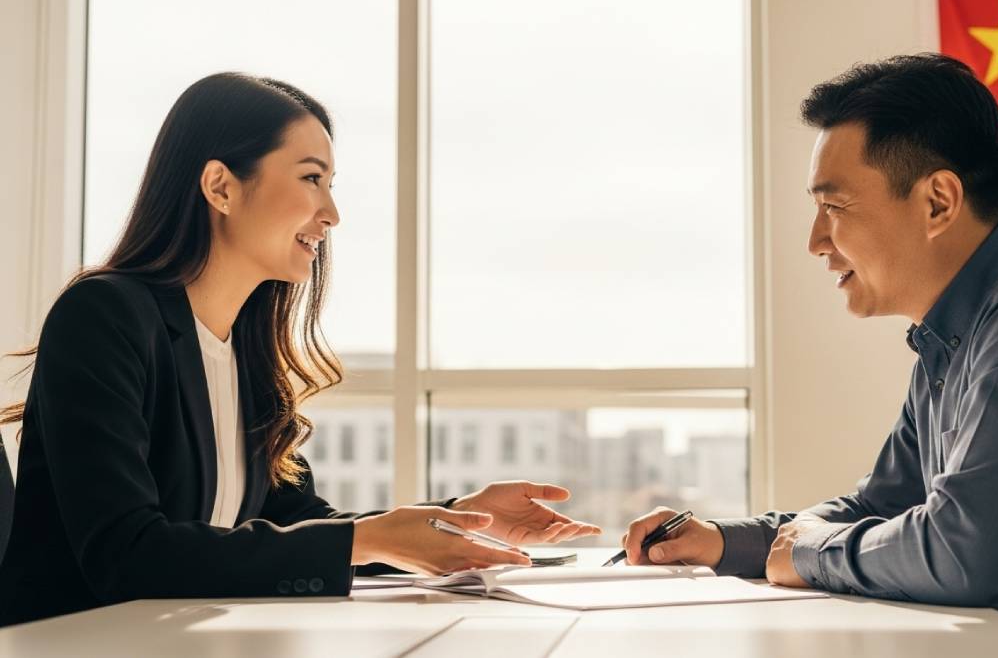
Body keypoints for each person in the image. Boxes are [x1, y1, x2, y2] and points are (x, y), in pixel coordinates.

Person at [619, 54, 998, 657]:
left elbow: (970, 554)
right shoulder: (954, 334)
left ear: (938, 202)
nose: (815, 240)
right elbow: (881, 507)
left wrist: (810, 551)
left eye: (835, 206)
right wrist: (722, 541)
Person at [0, 73, 599, 627]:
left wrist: (459, 518)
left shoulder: (245, 352)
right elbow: (125, 554)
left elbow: (292, 523)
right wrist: (374, 540)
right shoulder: (104, 316)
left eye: (330, 185)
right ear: (221, 186)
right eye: (312, 178)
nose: (332, 214)